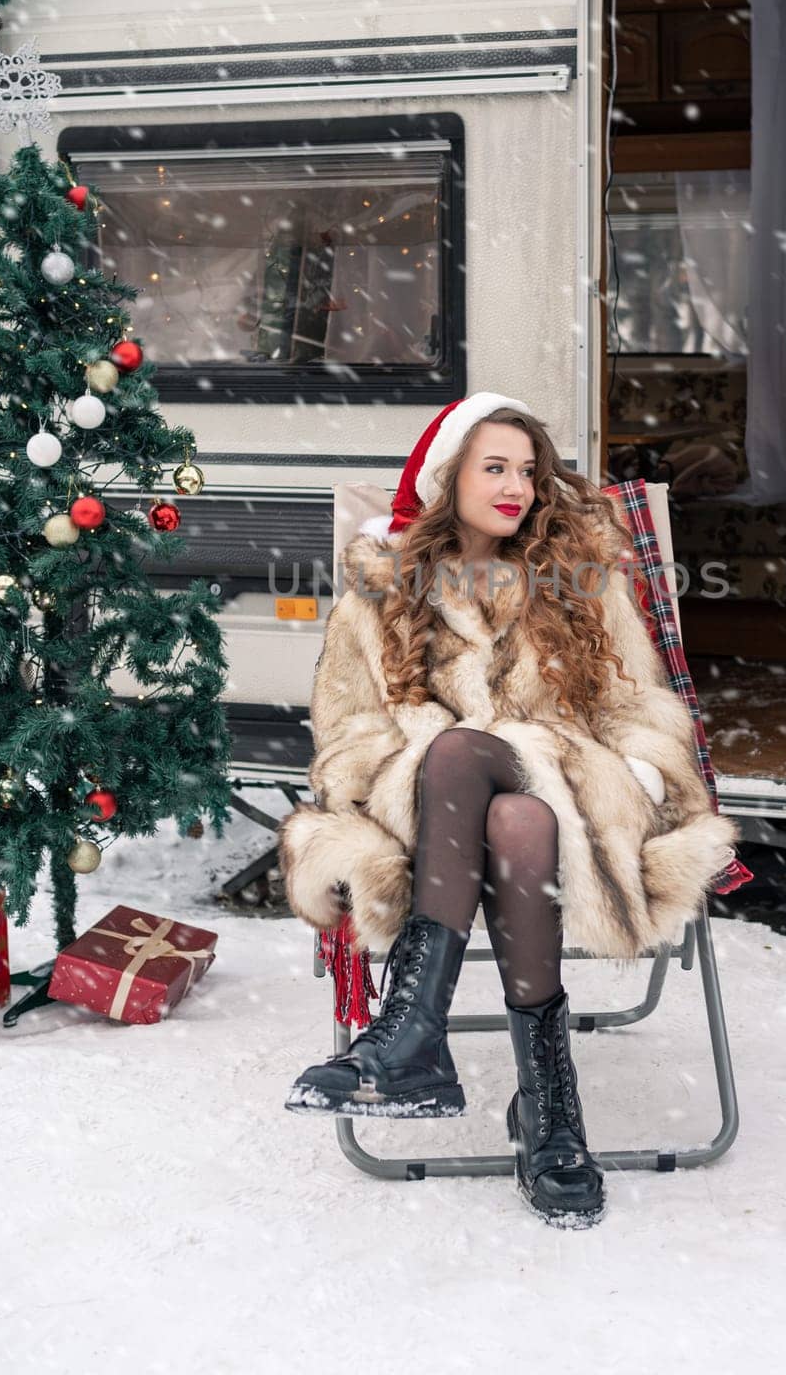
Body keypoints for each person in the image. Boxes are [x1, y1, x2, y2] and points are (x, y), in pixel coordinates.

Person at [278, 391, 741, 1229]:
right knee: (482, 789)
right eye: (493, 467)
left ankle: (411, 1035)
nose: (516, 487)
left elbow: (639, 708)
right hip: (425, 811)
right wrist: (380, 775)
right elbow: (346, 731)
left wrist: (638, 774)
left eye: (527, 471)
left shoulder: (579, 577)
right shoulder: (379, 589)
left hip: (582, 794)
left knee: (505, 791)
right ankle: (550, 1113)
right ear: (448, 475)